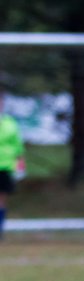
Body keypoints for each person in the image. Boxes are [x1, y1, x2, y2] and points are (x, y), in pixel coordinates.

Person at [0, 87, 26, 241]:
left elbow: (17, 145)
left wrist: (20, 163)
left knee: (1, 200)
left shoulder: (10, 123)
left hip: (4, 166)